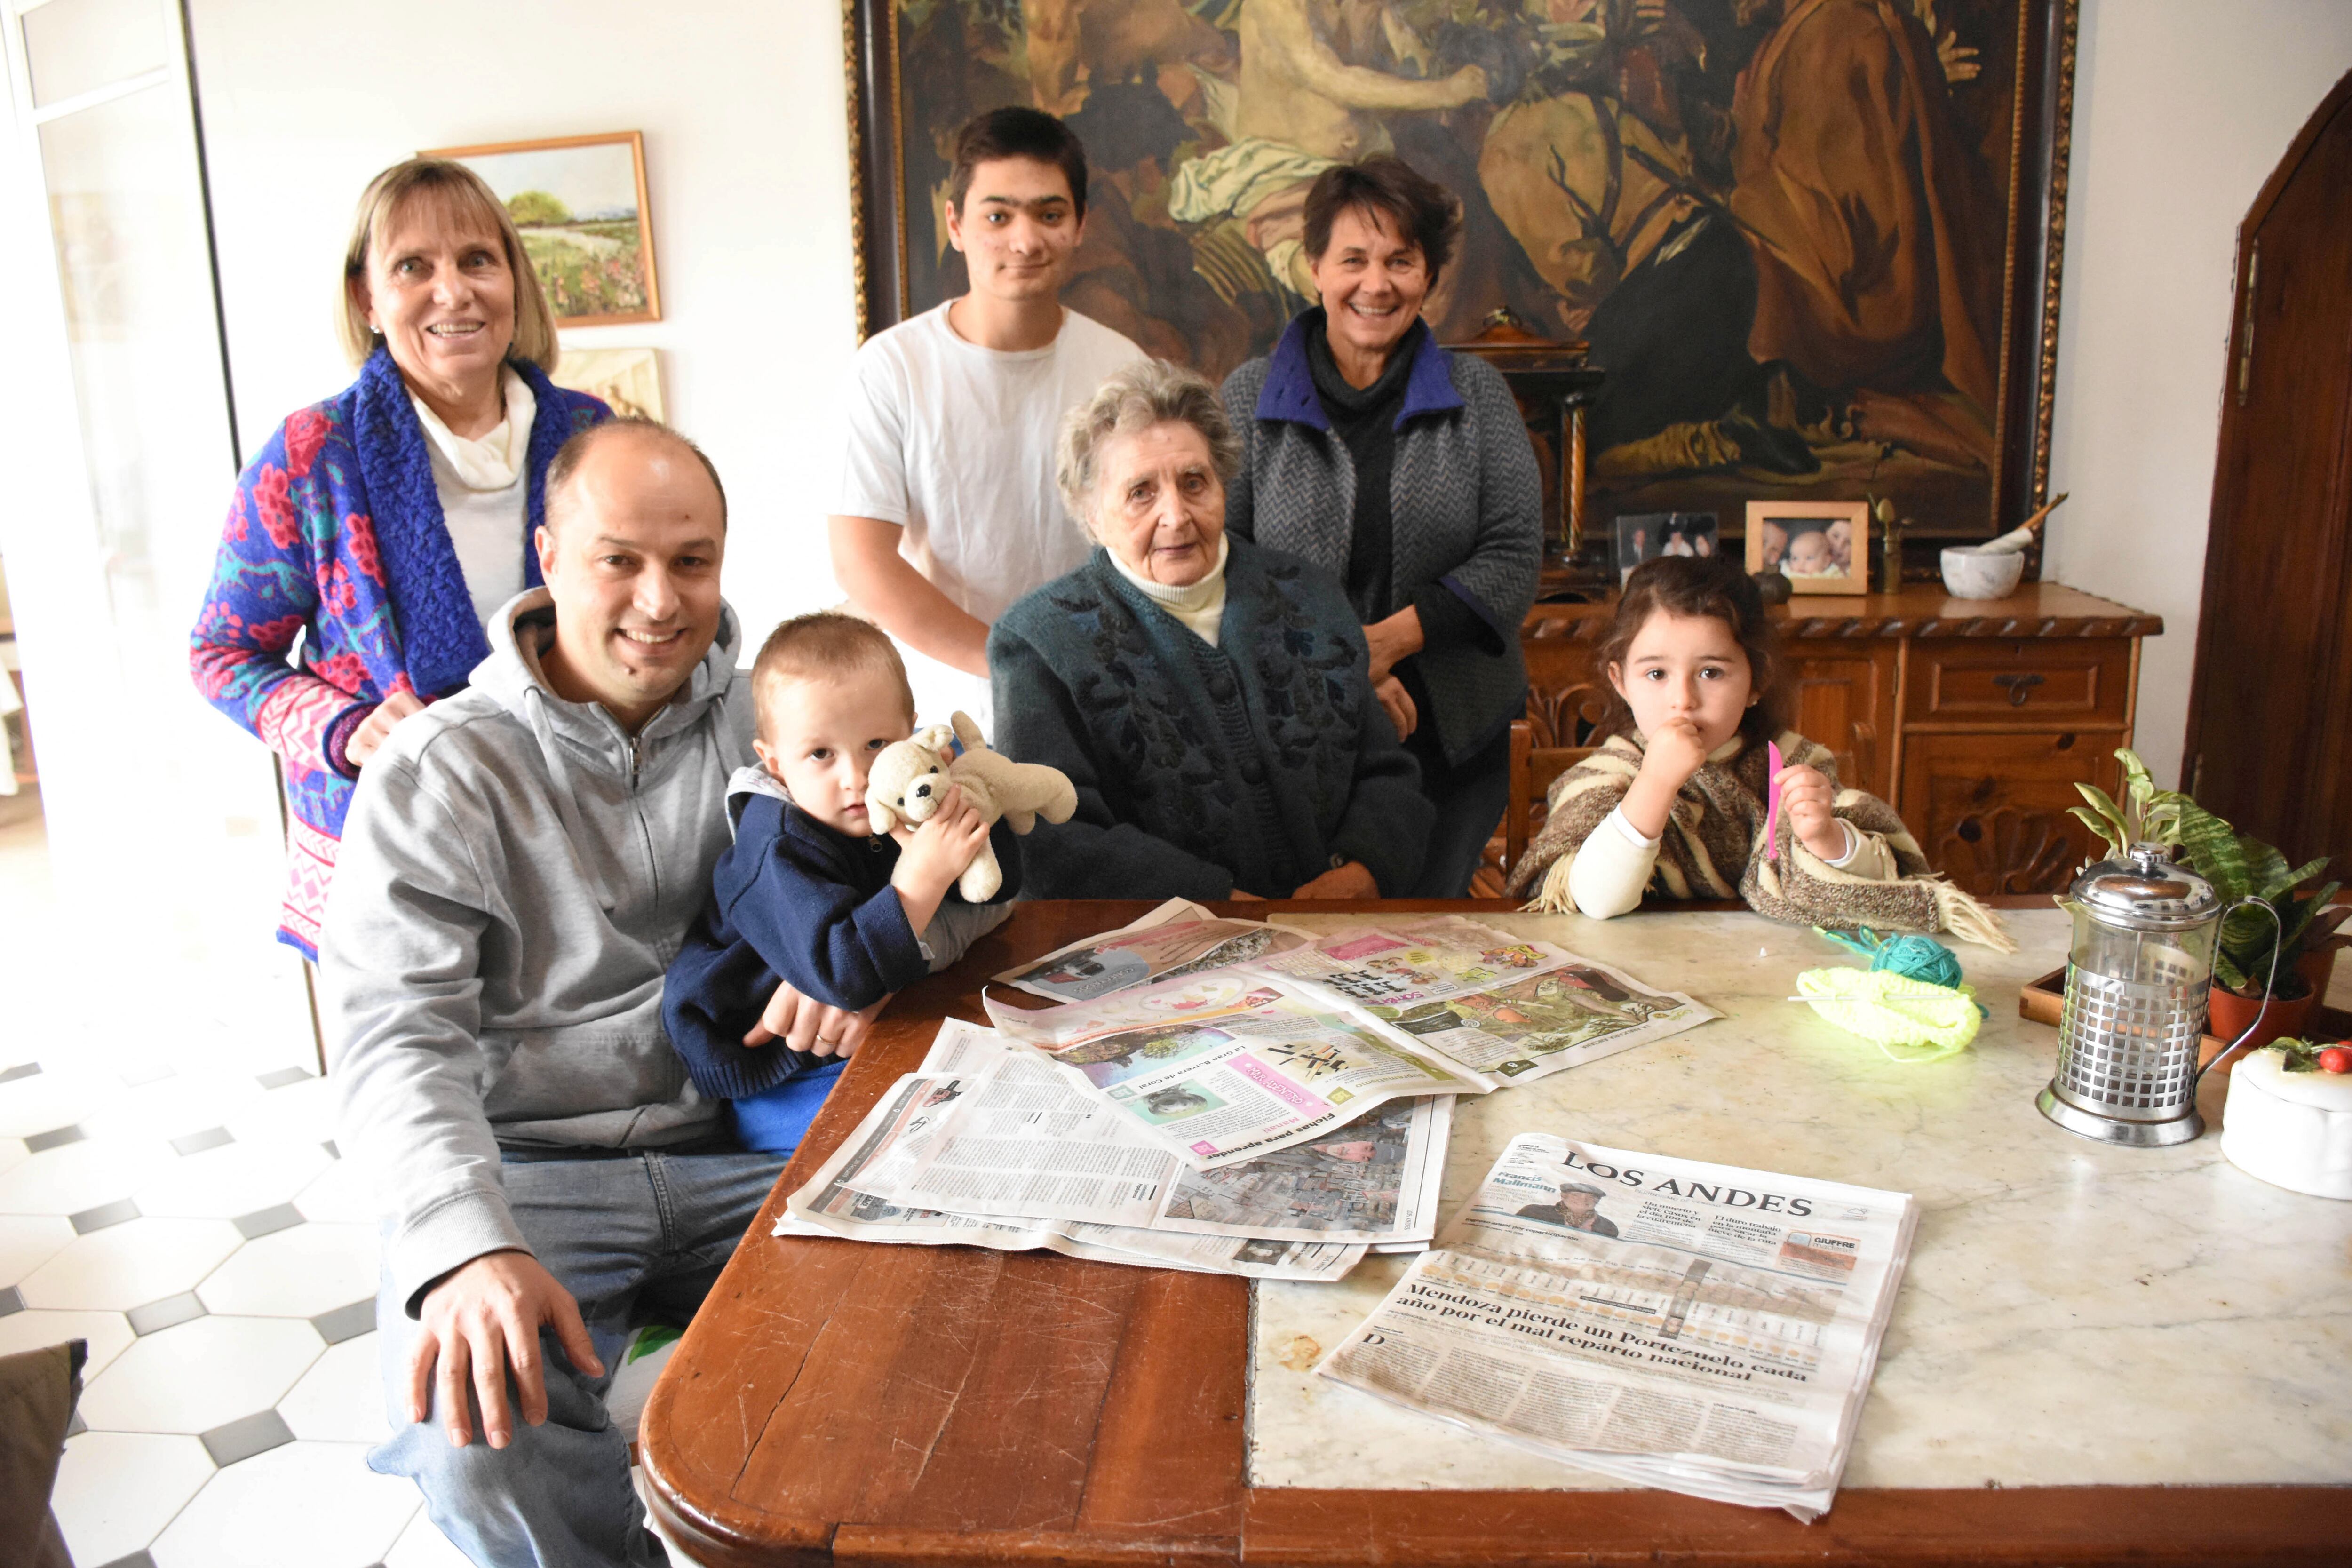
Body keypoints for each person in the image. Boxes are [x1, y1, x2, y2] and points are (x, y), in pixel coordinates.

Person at [322, 420, 874, 1566]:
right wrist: (464, 1249)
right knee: (473, 1441)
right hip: (533, 1177)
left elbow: (930, 830)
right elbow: (392, 1041)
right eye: (618, 558)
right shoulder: (438, 769)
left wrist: (862, 979)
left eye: (692, 561)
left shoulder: (774, 720)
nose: (660, 602)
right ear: (550, 554)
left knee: (958, 1311)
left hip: (750, 1142)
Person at [190, 159, 610, 958]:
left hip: (579, 837)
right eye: (413, 266)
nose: (453, 291)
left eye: (477, 260)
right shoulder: (313, 455)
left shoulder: (591, 434)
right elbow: (221, 653)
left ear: (513, 282)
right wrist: (343, 726)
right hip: (389, 858)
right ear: (367, 298)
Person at [991, 358, 1432, 901]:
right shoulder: (1039, 641)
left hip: (1336, 941)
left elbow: (1388, 776)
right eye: (1140, 493)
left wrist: (1362, 873)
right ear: (1092, 517)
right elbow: (1053, 838)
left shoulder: (1310, 595)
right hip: (1154, 959)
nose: (1175, 515)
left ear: (1222, 486)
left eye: (1194, 482)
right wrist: (1212, 899)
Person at [1220, 157, 1542, 896]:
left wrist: (1380, 647)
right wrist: (1337, 664)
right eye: (1354, 259)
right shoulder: (1246, 398)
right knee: (1308, 946)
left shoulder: (1478, 394)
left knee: (1424, 947)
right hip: (1292, 734)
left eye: (1401, 260)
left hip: (1451, 738)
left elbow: (1513, 558)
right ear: (1314, 269)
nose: (1377, 283)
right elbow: (1220, 568)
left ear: (1428, 275)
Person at [1504, 555, 2012, 949]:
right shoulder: (1609, 777)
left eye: (1711, 672)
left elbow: (1872, 885)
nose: (1682, 698)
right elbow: (1594, 901)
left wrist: (1828, 837)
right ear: (1620, 681)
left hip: (1771, 977)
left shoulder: (1794, 766)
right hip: (1643, 975)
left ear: (1755, 682)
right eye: (1656, 674)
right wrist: (1655, 784)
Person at [829, 106, 1145, 730]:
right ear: (956, 223)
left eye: (1049, 215)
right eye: (998, 216)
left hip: (1097, 693)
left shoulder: (1123, 368)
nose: (1024, 241)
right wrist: (1008, 659)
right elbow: (862, 560)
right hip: (943, 707)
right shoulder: (892, 368)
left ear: (1080, 224)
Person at [660, 613, 1020, 1156]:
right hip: (779, 1074)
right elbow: (841, 975)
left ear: (911, 735)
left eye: (877, 744)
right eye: (820, 755)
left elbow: (997, 889)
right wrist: (922, 877)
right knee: (933, 1146)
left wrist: (968, 804)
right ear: (775, 763)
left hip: (871, 1032)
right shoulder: (776, 844)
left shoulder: (904, 794)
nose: (854, 776)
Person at [1516, 1180, 1619, 1236]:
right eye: (1575, 1195)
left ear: (1597, 1201)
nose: (1583, 1200)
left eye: (1591, 1197)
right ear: (1564, 1196)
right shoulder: (1533, 1212)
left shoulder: (1608, 1227)